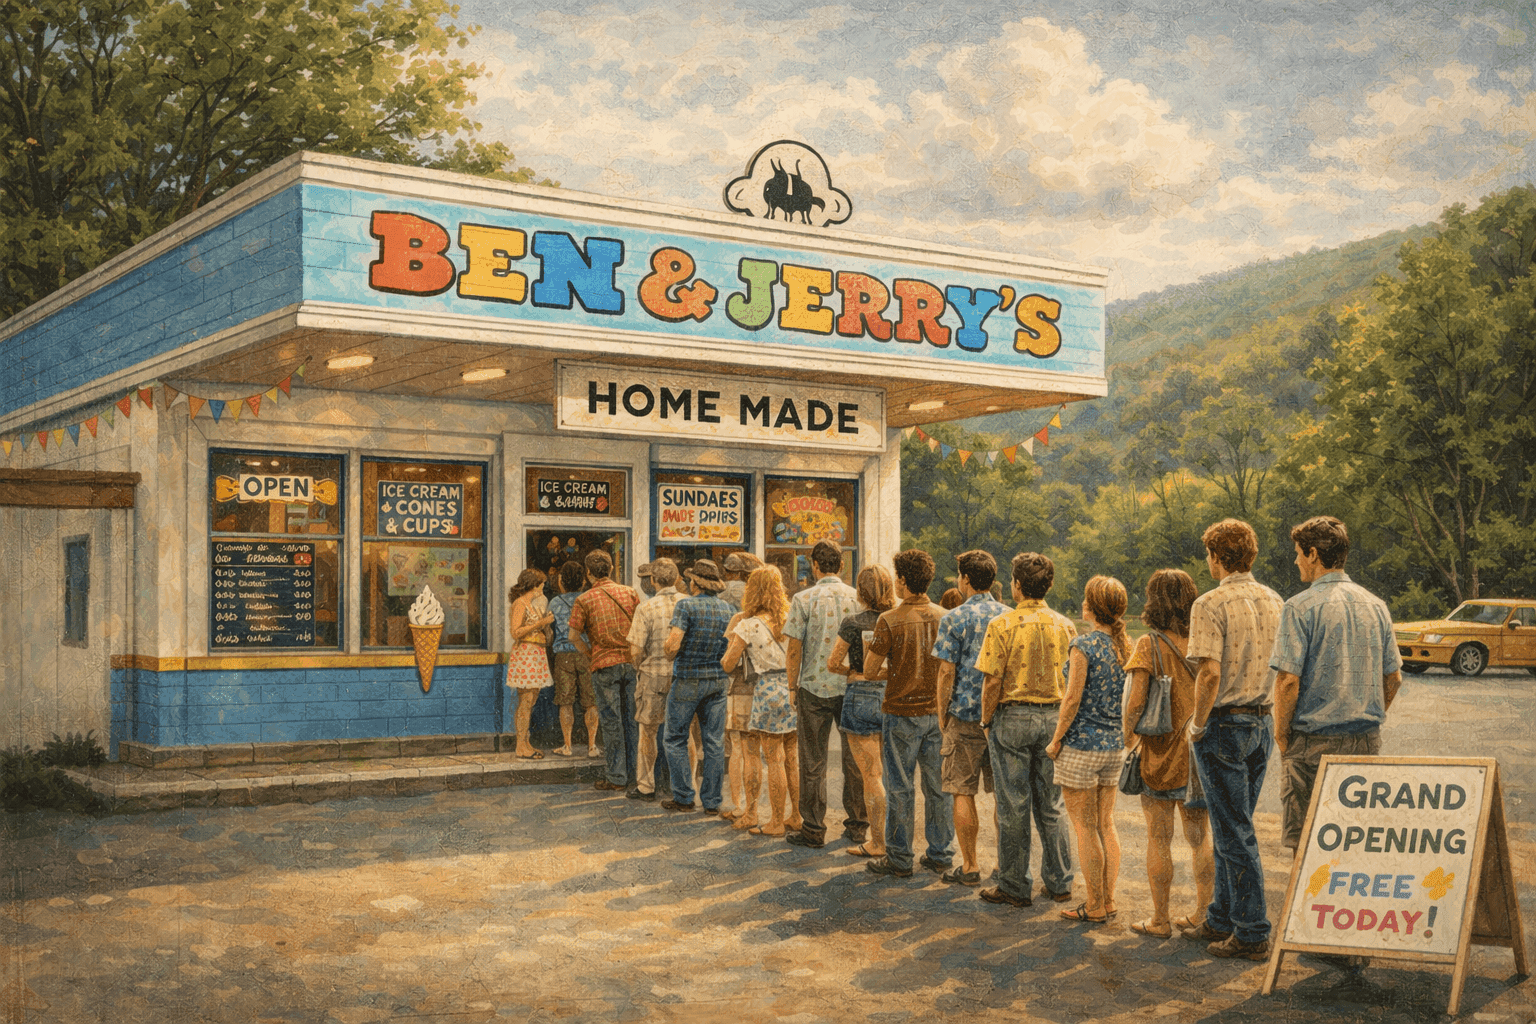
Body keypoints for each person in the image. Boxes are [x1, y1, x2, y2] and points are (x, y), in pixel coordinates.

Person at [1183, 518, 1284, 961]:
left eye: (1208, 554)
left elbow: (1208, 672)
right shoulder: (1275, 599)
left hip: (1224, 722)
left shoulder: (1209, 603)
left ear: (1217, 557)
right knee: (1233, 824)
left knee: (1233, 830)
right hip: (1262, 721)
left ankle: (1252, 929)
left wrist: (1197, 724)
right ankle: (1221, 916)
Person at [1271, 517, 1403, 851]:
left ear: (1313, 554)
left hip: (1310, 744)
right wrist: (1364, 711)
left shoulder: (1298, 608)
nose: (1296, 560)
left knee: (1307, 850)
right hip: (1365, 741)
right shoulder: (1376, 606)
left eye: (1299, 553)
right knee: (1354, 844)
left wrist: (1282, 734)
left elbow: (1288, 681)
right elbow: (1394, 678)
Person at [975, 552, 1076, 909]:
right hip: (1053, 717)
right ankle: (1060, 881)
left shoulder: (1002, 625)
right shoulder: (1065, 625)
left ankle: (1015, 884)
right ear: (1048, 585)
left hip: (1013, 717)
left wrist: (986, 720)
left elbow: (991, 682)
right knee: (1052, 804)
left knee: (1013, 805)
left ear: (1016, 585)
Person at [1121, 569, 1214, 939]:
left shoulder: (1149, 644)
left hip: (1160, 753)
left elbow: (1135, 702)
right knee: (1200, 837)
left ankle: (1160, 919)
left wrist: (1127, 738)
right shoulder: (1203, 638)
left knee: (1158, 838)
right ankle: (1203, 913)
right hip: (1197, 749)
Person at [862, 549, 953, 878]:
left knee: (900, 787)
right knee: (938, 787)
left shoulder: (888, 620)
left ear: (901, 580)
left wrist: (898, 671)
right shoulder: (945, 616)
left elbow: (871, 671)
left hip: (900, 712)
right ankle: (941, 852)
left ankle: (900, 857)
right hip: (936, 713)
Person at [1047, 576, 1131, 924]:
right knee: (1105, 825)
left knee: (1083, 827)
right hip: (1114, 747)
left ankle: (1094, 903)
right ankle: (1108, 899)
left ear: (1092, 607)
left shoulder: (1083, 646)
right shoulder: (1125, 646)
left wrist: (1055, 740)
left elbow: (1072, 698)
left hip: (1082, 746)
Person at [931, 550, 1009, 886]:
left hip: (962, 717)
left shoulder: (954, 618)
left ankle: (970, 864)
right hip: (999, 717)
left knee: (962, 791)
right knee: (1002, 795)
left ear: (964, 579)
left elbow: (946, 672)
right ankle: (1004, 864)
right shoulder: (1009, 616)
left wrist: (941, 714)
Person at [783, 540, 866, 849]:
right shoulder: (857, 598)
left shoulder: (803, 599)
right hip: (851, 686)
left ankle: (814, 828)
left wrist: (792, 686)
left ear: (814, 566)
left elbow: (794, 649)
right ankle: (858, 825)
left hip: (813, 687)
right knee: (855, 759)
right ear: (841, 565)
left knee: (813, 761)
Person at [722, 566, 802, 835]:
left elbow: (728, 662)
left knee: (772, 757)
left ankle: (776, 822)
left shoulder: (748, 624)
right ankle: (796, 816)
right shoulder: (790, 618)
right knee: (791, 756)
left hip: (767, 688)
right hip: (792, 687)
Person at [827, 564, 897, 858]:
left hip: (859, 695)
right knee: (894, 776)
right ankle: (896, 840)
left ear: (860, 591)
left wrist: (853, 672)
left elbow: (833, 662)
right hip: (891, 697)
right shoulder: (894, 619)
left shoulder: (852, 622)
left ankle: (877, 842)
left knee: (871, 776)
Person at [661, 559, 733, 814]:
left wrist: (668, 651)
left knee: (675, 737)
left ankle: (683, 796)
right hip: (717, 681)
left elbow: (672, 646)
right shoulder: (729, 609)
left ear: (695, 583)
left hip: (688, 680)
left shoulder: (686, 606)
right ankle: (712, 801)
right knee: (714, 742)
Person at [568, 550, 641, 792]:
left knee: (611, 723)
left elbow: (573, 637)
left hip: (604, 664)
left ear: (588, 573)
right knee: (633, 720)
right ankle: (636, 775)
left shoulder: (584, 599)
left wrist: (592, 654)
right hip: (631, 663)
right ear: (611, 569)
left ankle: (616, 777)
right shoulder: (630, 593)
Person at [626, 558, 687, 801]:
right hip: (682, 676)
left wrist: (640, 667)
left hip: (653, 675)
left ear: (653, 580)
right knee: (684, 734)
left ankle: (646, 786)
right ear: (677, 578)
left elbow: (635, 650)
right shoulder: (688, 603)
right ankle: (685, 785)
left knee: (648, 733)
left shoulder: (646, 608)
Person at [722, 552, 767, 823]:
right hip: (774, 687)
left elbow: (729, 660)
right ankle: (767, 809)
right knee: (770, 753)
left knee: (740, 748)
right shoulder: (781, 617)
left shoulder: (741, 619)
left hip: (741, 687)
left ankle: (742, 806)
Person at [549, 560, 601, 759]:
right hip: (587, 653)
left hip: (563, 655)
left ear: (561, 580)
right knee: (591, 702)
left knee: (565, 701)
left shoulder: (554, 602)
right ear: (583, 581)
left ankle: (567, 745)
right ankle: (592, 746)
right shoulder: (590, 598)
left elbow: (550, 632)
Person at [505, 569, 554, 759]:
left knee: (530, 701)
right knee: (525, 702)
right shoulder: (520, 603)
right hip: (526, 654)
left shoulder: (532, 604)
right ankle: (520, 745)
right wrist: (540, 622)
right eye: (541, 583)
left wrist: (544, 624)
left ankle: (525, 742)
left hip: (535, 654)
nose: (543, 587)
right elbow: (515, 632)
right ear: (534, 585)